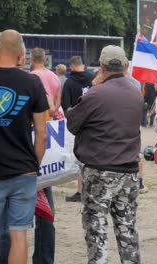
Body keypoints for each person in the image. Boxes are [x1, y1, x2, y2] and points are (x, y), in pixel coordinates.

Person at [66, 45, 144, 264]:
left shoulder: (97, 93)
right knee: (127, 228)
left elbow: (72, 122)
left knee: (96, 228)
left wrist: (93, 88)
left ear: (101, 66)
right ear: (125, 65)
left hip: (100, 169)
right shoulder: (135, 93)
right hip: (129, 170)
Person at [0, 29, 48, 264]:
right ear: (22, 55)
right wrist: (34, 165)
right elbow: (41, 135)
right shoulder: (32, 83)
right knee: (18, 234)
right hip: (24, 170)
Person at [29, 47, 62, 263]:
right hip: (49, 139)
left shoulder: (30, 78)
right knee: (45, 208)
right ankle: (44, 257)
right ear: (46, 59)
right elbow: (55, 107)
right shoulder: (55, 78)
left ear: (31, 59)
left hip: (34, 136)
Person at [63, 55, 94, 202]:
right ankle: (90, 189)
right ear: (83, 65)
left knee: (81, 158)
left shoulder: (69, 83)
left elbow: (66, 106)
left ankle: (81, 190)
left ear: (71, 66)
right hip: (95, 123)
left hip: (78, 125)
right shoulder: (93, 79)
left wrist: (73, 121)